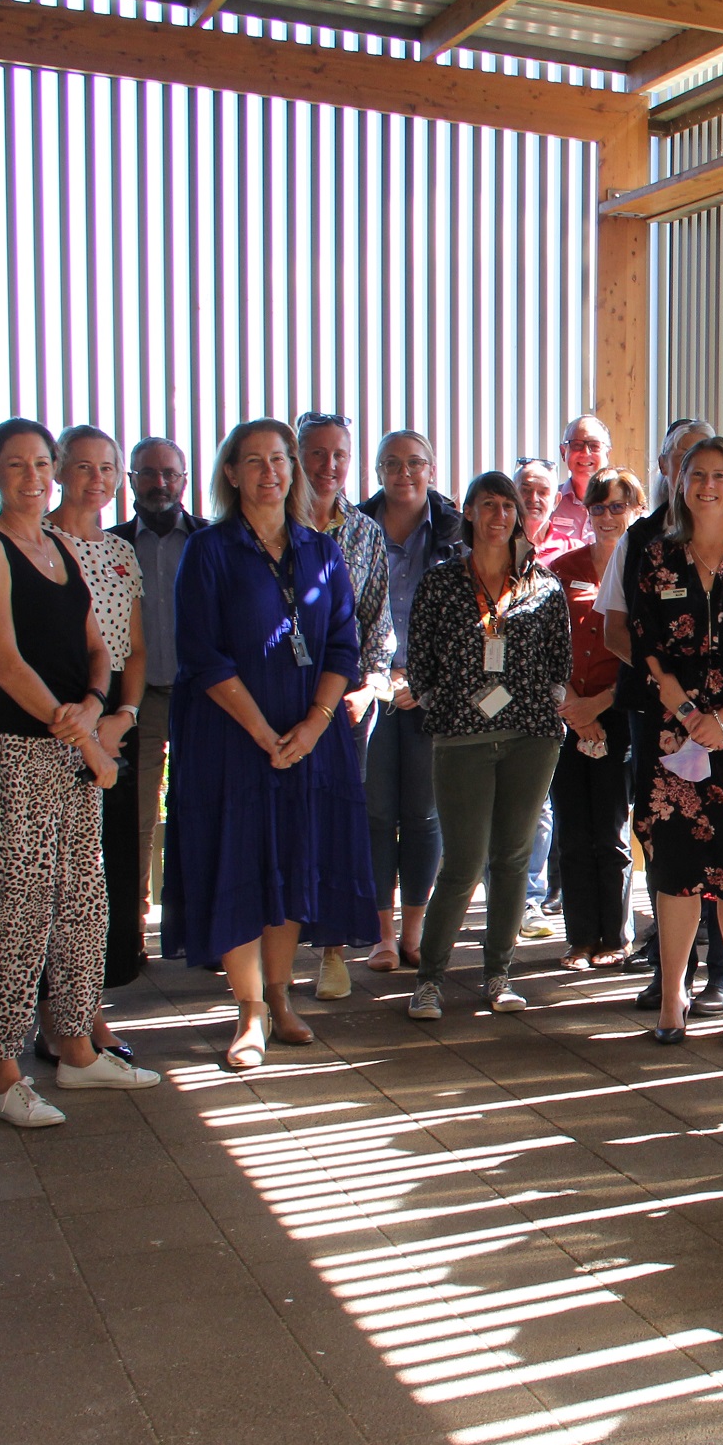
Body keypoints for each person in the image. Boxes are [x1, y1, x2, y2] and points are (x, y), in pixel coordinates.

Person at [163, 419, 377, 1068]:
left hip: (309, 738)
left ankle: (282, 998)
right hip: (231, 740)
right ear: (230, 474)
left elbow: (344, 644)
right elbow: (201, 654)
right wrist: (263, 733)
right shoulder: (209, 551)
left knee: (294, 862)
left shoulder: (322, 551)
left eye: (280, 459)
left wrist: (313, 725)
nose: (269, 472)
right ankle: (249, 1011)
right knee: (240, 866)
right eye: (252, 461)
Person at [0, 418, 160, 1128]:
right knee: (22, 904)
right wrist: (84, 737)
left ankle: (77, 1049)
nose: (32, 476)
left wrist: (95, 703)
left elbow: (100, 647)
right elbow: (8, 664)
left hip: (75, 742)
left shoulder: (59, 547)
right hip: (22, 744)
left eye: (40, 463)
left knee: (85, 899)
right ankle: (5, 1073)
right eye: (15, 465)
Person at [624, 435, 723, 1047]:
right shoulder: (657, 557)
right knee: (674, 866)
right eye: (697, 474)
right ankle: (673, 995)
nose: (708, 485)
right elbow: (643, 643)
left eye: (721, 474)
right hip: (674, 731)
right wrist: (689, 710)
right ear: (680, 482)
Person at [403, 471, 573, 1019]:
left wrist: (537, 706)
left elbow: (559, 664)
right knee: (463, 861)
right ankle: (428, 980)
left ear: (519, 516)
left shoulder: (543, 585)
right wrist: (447, 707)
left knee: (513, 859)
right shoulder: (441, 582)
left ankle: (499, 974)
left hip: (531, 738)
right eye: (488, 505)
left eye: (508, 506)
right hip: (461, 740)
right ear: (469, 512)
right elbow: (421, 662)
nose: (499, 515)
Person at [36, 424, 146, 1063]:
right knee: (49, 883)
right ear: (57, 471)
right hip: (48, 726)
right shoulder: (33, 542)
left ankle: (88, 1011)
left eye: (109, 468)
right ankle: (55, 1016)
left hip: (108, 730)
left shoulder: (120, 553)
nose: (98, 480)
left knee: (95, 882)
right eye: (84, 467)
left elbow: (134, 649)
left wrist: (122, 716)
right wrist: (81, 725)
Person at [360, 430, 467, 971]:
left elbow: (470, 618)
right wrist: (382, 675)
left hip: (433, 692)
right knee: (377, 811)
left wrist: (420, 679)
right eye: (393, 463)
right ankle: (381, 933)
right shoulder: (353, 530)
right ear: (378, 470)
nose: (404, 473)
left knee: (425, 815)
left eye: (415, 463)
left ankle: (414, 930)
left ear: (432, 468)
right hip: (368, 688)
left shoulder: (453, 532)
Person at [297, 412, 395, 1002]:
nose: (328, 466)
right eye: (315, 453)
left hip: (346, 700)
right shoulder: (270, 526)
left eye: (339, 455)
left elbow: (378, 624)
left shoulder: (364, 533)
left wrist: (370, 687)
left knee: (338, 823)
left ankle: (332, 952)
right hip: (277, 697)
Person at [550, 467, 642, 969]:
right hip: (566, 716)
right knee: (572, 831)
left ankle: (617, 936)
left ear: (637, 510)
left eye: (618, 506)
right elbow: (543, 647)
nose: (607, 517)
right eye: (598, 507)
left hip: (618, 715)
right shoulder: (563, 568)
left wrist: (599, 705)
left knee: (610, 831)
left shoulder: (646, 571)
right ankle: (580, 937)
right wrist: (571, 707)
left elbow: (643, 653)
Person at [116, 436, 203, 916]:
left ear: (185, 481)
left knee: (197, 811)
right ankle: (131, 923)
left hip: (201, 697)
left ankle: (191, 922)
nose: (160, 483)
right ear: (131, 481)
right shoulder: (110, 545)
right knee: (137, 817)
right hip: (137, 699)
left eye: (170, 473)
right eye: (148, 473)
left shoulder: (209, 540)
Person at [509, 455, 566, 942]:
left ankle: (529, 899)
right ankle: (497, 897)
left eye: (541, 490)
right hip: (492, 698)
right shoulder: (492, 544)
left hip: (549, 699)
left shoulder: (571, 547)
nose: (533, 498)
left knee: (540, 805)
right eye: (523, 489)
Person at [549, 413, 610, 552]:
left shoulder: (624, 507)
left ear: (607, 454)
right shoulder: (546, 503)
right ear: (563, 452)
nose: (585, 453)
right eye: (577, 445)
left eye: (594, 446)